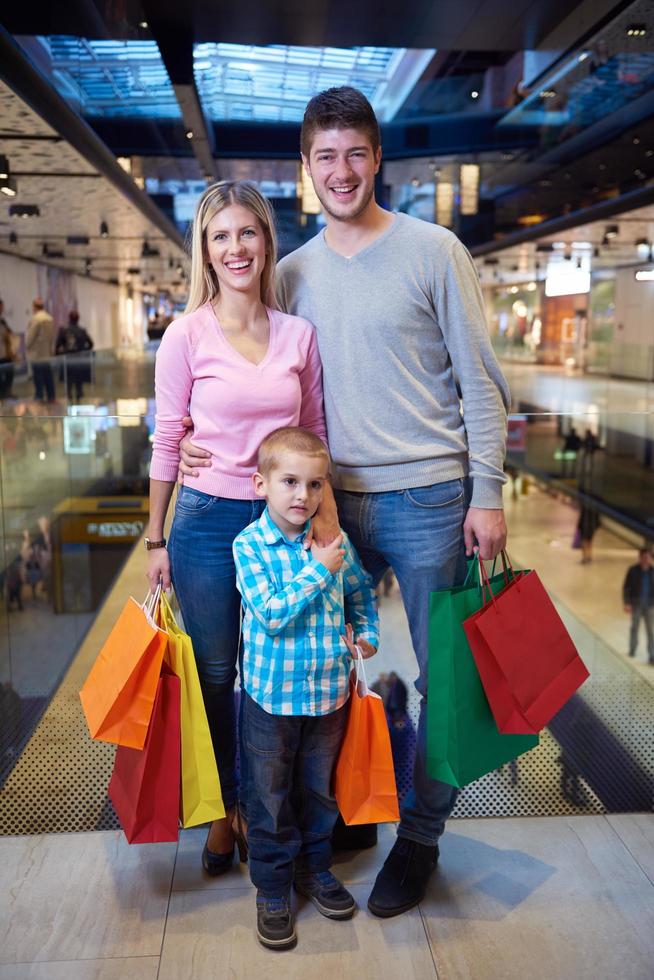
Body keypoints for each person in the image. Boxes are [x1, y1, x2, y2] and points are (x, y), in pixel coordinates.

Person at [179, 86, 510, 918]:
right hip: (323, 508)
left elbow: (480, 383)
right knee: (316, 665)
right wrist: (198, 438)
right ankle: (334, 814)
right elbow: (263, 379)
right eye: (324, 156)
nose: (341, 170)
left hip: (429, 497)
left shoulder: (435, 251)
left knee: (442, 680)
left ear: (377, 159)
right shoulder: (292, 273)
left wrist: (488, 491)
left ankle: (422, 841)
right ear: (304, 168)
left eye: (355, 153)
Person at [146, 180, 329, 880]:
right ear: (205, 249)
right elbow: (168, 438)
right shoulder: (185, 335)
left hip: (283, 523)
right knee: (219, 674)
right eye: (220, 236)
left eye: (246, 233)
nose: (235, 248)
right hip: (205, 522)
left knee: (274, 676)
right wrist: (155, 539)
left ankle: (272, 811)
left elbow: (314, 435)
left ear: (265, 241)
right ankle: (227, 813)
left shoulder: (297, 335)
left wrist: (322, 523)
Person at [233, 426, 379, 949]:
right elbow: (270, 614)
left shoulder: (334, 542)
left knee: (319, 791)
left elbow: (361, 591)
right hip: (271, 701)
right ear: (260, 484)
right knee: (269, 798)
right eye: (290, 482)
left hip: (329, 698)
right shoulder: (249, 546)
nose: (304, 496)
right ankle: (272, 886)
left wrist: (366, 634)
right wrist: (318, 570)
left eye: (316, 485)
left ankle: (315, 868)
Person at [623, 548, 654, 664]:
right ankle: (632, 648)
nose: (647, 560)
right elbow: (626, 588)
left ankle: (652, 654)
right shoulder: (633, 570)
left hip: (650, 605)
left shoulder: (653, 572)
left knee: (650, 630)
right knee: (634, 627)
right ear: (640, 557)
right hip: (636, 604)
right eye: (644, 557)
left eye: (649, 557)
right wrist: (627, 602)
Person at [55, 310, 94, 401]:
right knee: (78, 383)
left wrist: (59, 355)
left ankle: (69, 400)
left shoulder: (63, 330)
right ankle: (78, 400)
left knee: (68, 383)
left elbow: (57, 346)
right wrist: (83, 350)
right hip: (79, 361)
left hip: (68, 361)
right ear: (78, 319)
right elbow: (91, 344)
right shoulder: (82, 331)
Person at [26, 298, 55, 403]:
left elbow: (30, 338)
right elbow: (51, 337)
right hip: (46, 353)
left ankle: (39, 397)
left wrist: (27, 346)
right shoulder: (49, 319)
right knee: (48, 376)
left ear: (34, 307)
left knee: (38, 377)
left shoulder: (36, 319)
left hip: (37, 354)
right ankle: (51, 396)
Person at [0, 299, 16, 399]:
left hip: (5, 353)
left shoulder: (2, 321)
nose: (2, 309)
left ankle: (6, 392)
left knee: (9, 372)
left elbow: (9, 332)